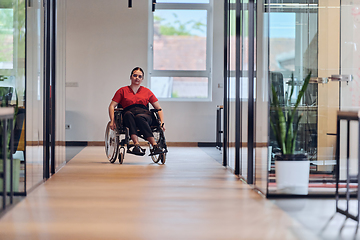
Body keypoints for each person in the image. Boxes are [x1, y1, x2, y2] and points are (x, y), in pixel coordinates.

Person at [108, 67, 166, 156]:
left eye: (139, 76)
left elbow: (159, 108)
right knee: (128, 114)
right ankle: (136, 145)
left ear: (142, 79)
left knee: (139, 117)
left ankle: (154, 145)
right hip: (128, 114)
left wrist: (162, 122)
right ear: (131, 77)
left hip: (144, 114)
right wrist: (112, 120)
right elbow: (112, 106)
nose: (137, 78)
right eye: (135, 75)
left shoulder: (147, 91)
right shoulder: (122, 91)